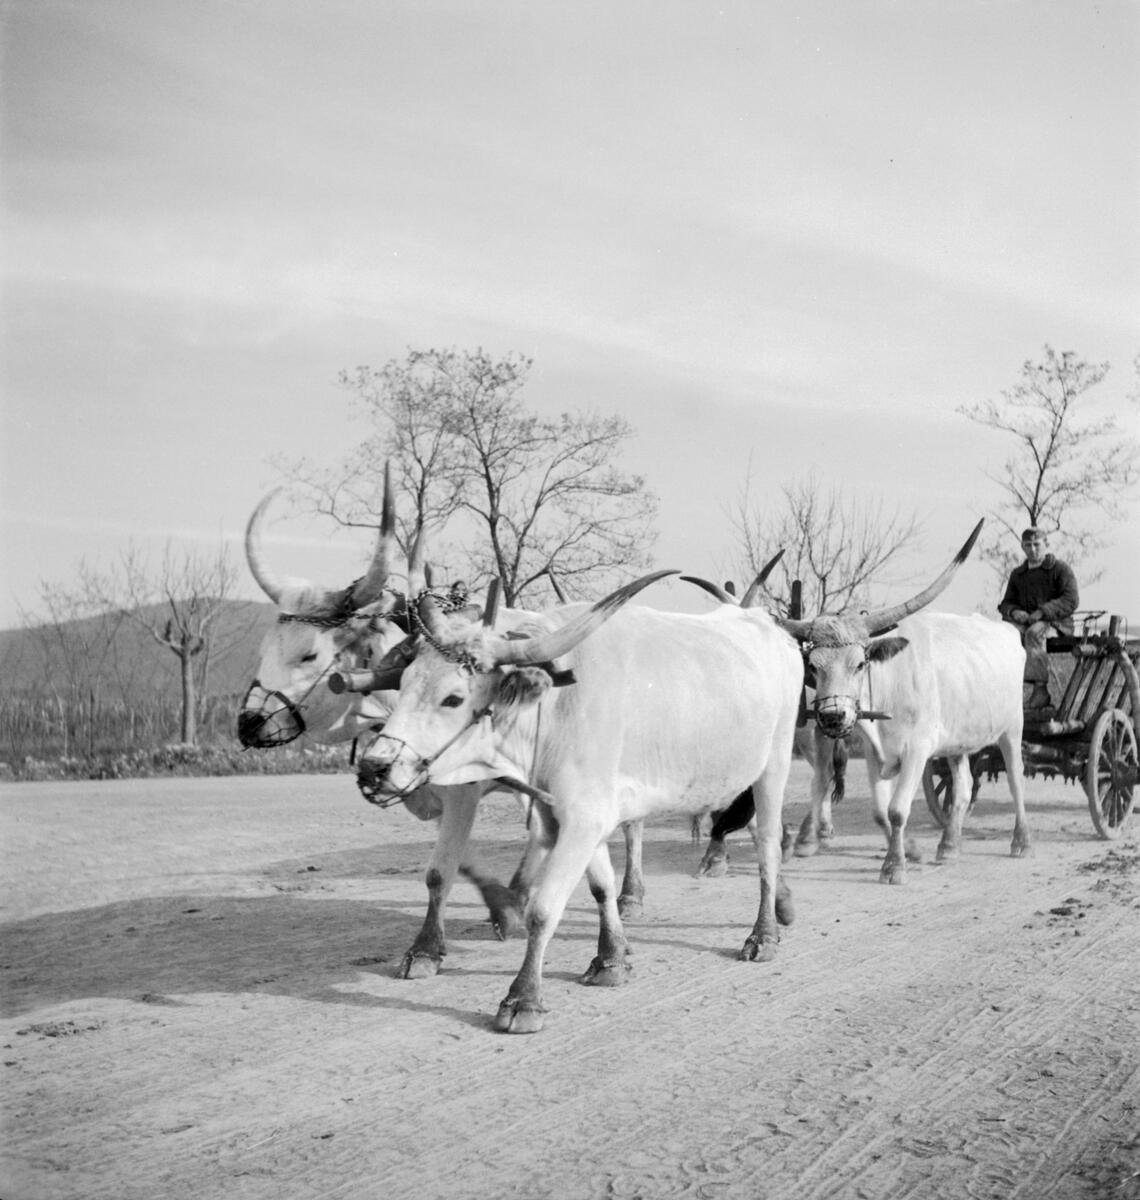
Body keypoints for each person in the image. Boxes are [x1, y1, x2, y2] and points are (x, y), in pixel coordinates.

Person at [999, 528, 1079, 709]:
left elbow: (1071, 599)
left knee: (1034, 634)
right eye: (1028, 545)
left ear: (1046, 544)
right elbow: (1006, 603)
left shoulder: (1059, 569)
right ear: (1022, 546)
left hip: (1057, 624)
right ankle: (1009, 690)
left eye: (1037, 544)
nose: (1033, 549)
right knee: (1005, 634)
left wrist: (1043, 612)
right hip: (1026, 623)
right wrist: (1014, 612)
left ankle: (1040, 691)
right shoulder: (1018, 574)